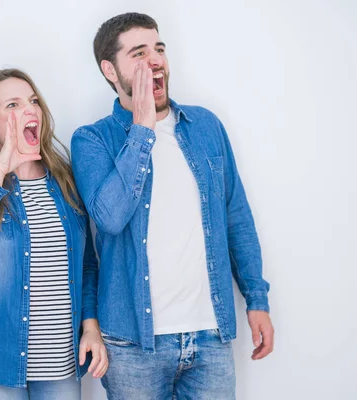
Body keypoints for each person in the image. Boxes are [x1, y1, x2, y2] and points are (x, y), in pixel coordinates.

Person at [70, 13, 274, 399]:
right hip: (133, 347)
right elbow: (110, 218)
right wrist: (143, 129)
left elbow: (236, 218)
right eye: (139, 53)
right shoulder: (92, 140)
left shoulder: (206, 126)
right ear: (110, 70)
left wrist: (257, 299)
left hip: (210, 337)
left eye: (159, 49)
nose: (155, 61)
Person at [0, 68, 107, 400]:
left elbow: (88, 262)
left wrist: (90, 325)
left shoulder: (66, 182)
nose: (30, 109)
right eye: (12, 105)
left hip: (60, 366)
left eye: (33, 101)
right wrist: (0, 170)